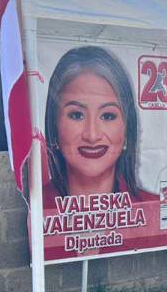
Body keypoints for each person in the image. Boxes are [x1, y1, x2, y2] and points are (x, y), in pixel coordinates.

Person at [44, 46, 153, 202]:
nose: (92, 135)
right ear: (54, 126)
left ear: (127, 129)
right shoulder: (36, 208)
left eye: (108, 116)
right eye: (77, 115)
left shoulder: (154, 209)